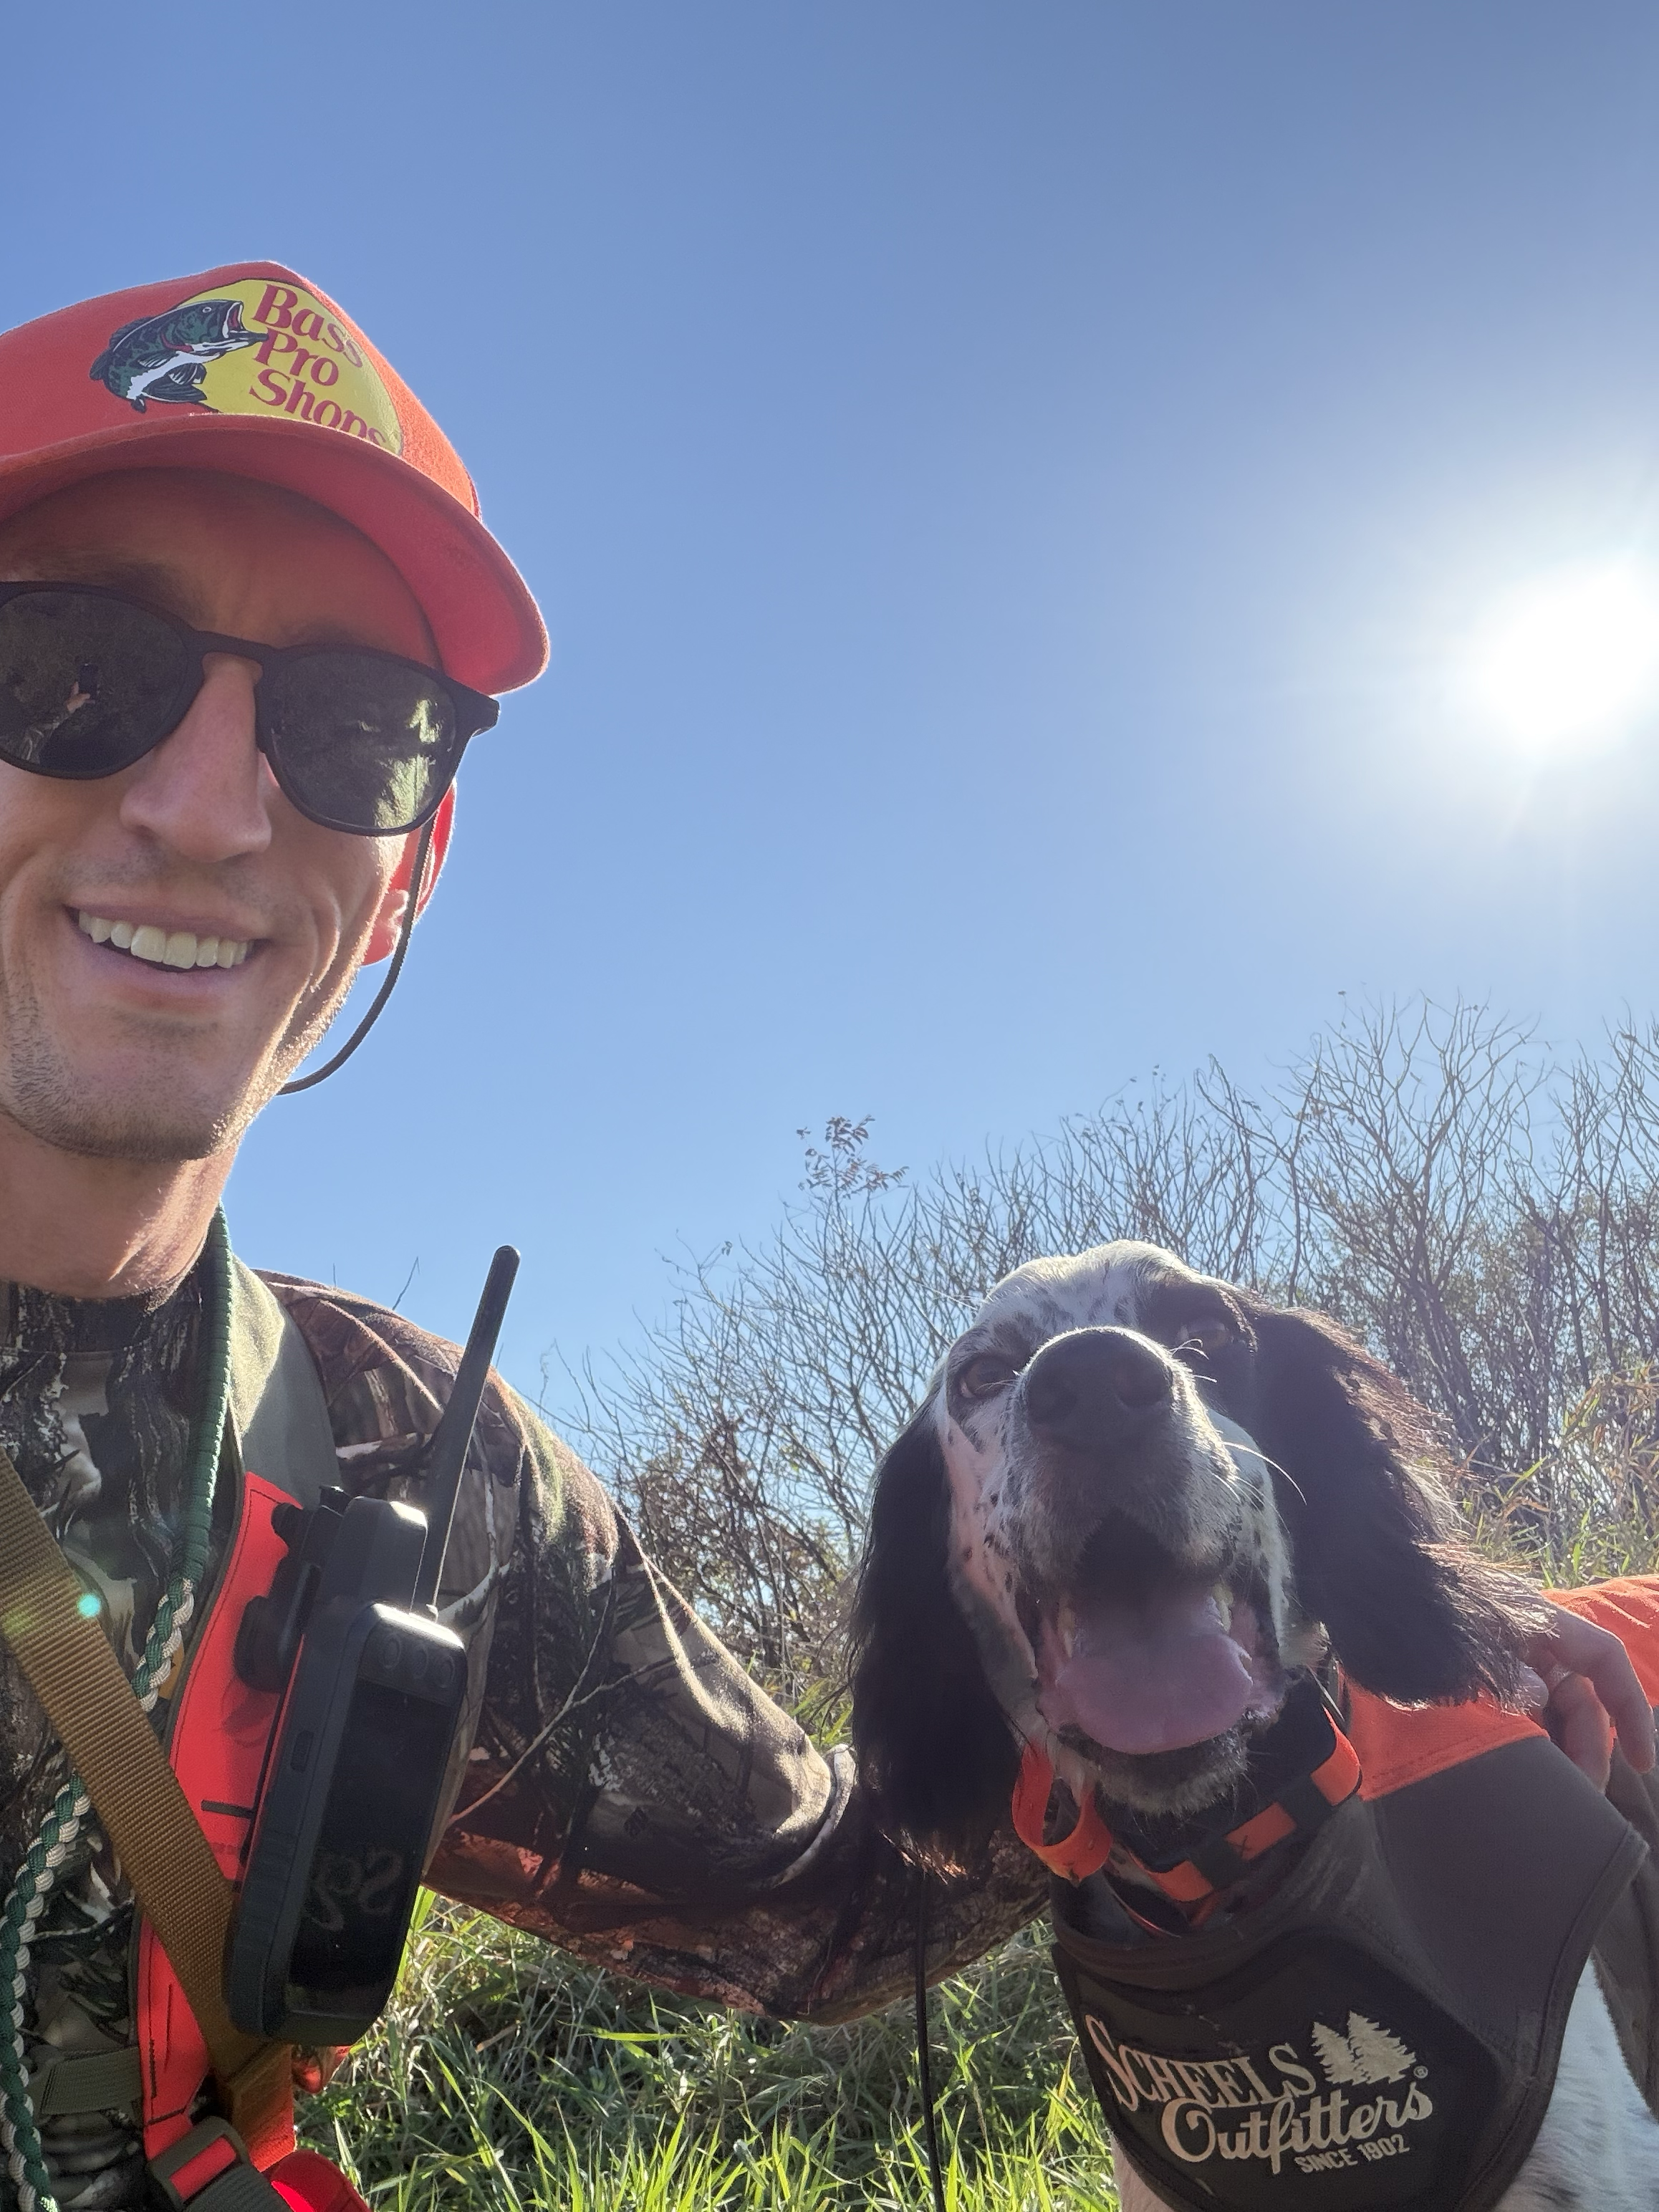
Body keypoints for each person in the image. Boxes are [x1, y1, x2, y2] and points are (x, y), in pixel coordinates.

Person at [0, 264, 1645, 2212]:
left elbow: (853, 1890)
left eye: (354, 726)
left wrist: (1399, 1642)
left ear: (408, 867)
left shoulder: (411, 1470)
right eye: (71, 665)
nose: (207, 807)